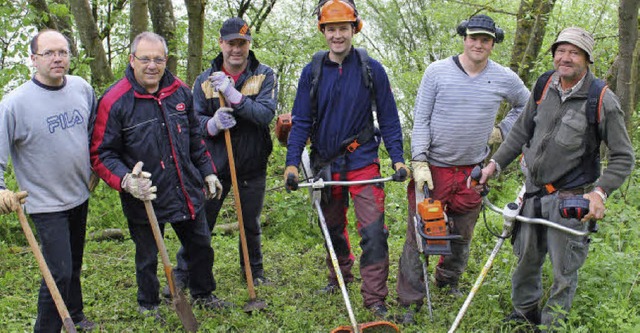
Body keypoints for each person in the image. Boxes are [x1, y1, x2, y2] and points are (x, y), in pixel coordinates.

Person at [476, 27, 634, 329]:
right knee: (525, 260)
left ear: (587, 59)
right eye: (560, 51)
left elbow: (624, 156)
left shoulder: (602, 100)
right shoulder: (544, 84)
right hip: (532, 192)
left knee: (564, 269)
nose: (565, 58)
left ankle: (551, 324)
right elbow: (522, 131)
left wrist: (599, 193)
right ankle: (524, 313)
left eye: (574, 52)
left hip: (570, 198)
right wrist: (493, 165)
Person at [395, 14, 530, 323]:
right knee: (420, 233)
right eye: (474, 38)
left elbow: (527, 105)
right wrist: (419, 160)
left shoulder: (504, 77)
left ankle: (448, 280)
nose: (478, 44)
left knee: (463, 232)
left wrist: (502, 130)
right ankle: (411, 298)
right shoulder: (437, 72)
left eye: (486, 39)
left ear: (493, 43)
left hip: (473, 170)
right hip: (435, 168)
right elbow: (422, 119)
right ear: (464, 38)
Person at [90, 32, 229, 319]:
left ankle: (204, 293)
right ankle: (149, 304)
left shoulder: (179, 91)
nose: (152, 65)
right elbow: (101, 154)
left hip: (185, 187)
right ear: (131, 60)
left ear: (166, 60)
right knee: (147, 255)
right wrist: (126, 181)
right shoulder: (115, 101)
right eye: (145, 59)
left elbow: (194, 137)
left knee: (201, 245)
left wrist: (207, 172)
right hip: (145, 194)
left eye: (158, 59)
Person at [284, 0, 409, 318]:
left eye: (343, 28)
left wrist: (397, 159)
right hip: (326, 162)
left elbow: (390, 118)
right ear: (322, 31)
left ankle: (374, 298)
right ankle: (338, 276)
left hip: (363, 159)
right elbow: (299, 121)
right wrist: (290, 163)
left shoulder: (371, 69)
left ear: (354, 29)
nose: (337, 35)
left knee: (373, 230)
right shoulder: (311, 72)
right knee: (333, 226)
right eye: (331, 29)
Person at [0, 29, 96, 332]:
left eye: (63, 52)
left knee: (75, 264)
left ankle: (76, 315)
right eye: (49, 53)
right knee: (59, 272)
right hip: (44, 202)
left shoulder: (81, 88)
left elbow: (97, 132)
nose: (57, 58)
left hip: (79, 194)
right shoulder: (14, 104)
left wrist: (97, 168)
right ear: (33, 59)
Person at [172, 17, 277, 290]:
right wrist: (213, 124)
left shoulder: (264, 75)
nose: (236, 50)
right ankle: (184, 273)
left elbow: (264, 115)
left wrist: (234, 95)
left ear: (249, 44)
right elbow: (192, 125)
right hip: (214, 164)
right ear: (221, 44)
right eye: (231, 43)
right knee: (202, 221)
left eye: (242, 43)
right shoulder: (204, 81)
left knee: (250, 222)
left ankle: (253, 272)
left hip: (252, 163)